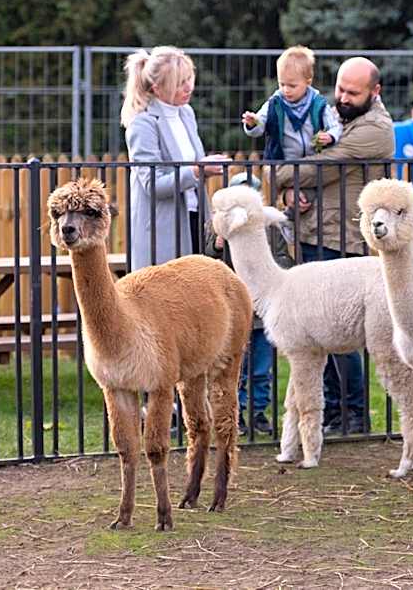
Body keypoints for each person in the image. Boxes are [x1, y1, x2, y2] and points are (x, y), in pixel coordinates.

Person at [275, 56, 395, 435]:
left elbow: (313, 167)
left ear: (374, 92)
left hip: (342, 238)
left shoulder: (374, 130)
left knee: (343, 333)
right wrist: (289, 195)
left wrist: (284, 177)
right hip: (315, 231)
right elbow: (302, 167)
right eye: (340, 88)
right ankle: (330, 413)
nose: (342, 96)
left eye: (352, 91)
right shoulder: (334, 118)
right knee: (317, 330)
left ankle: (354, 414)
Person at [121, 45, 228, 272]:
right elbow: (153, 184)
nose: (189, 87)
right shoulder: (143, 123)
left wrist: (204, 168)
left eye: (189, 78)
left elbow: (191, 167)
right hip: (163, 231)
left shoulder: (186, 113)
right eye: (180, 82)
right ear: (157, 88)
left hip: (195, 219)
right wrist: (198, 171)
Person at [204, 171, 293, 436]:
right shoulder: (218, 227)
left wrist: (271, 275)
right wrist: (219, 245)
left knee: (261, 367)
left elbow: (283, 258)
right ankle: (235, 411)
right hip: (233, 309)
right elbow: (208, 257)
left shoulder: (268, 228)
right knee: (234, 364)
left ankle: (258, 411)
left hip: (261, 310)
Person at [243, 45, 343, 244]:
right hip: (282, 159)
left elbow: (335, 126)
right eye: (282, 84)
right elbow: (260, 124)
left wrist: (330, 137)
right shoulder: (275, 101)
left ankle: (291, 221)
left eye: (292, 85)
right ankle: (286, 221)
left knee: (305, 198)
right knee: (287, 189)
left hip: (311, 159)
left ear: (308, 81)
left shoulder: (318, 103)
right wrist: (252, 123)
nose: (285, 90)